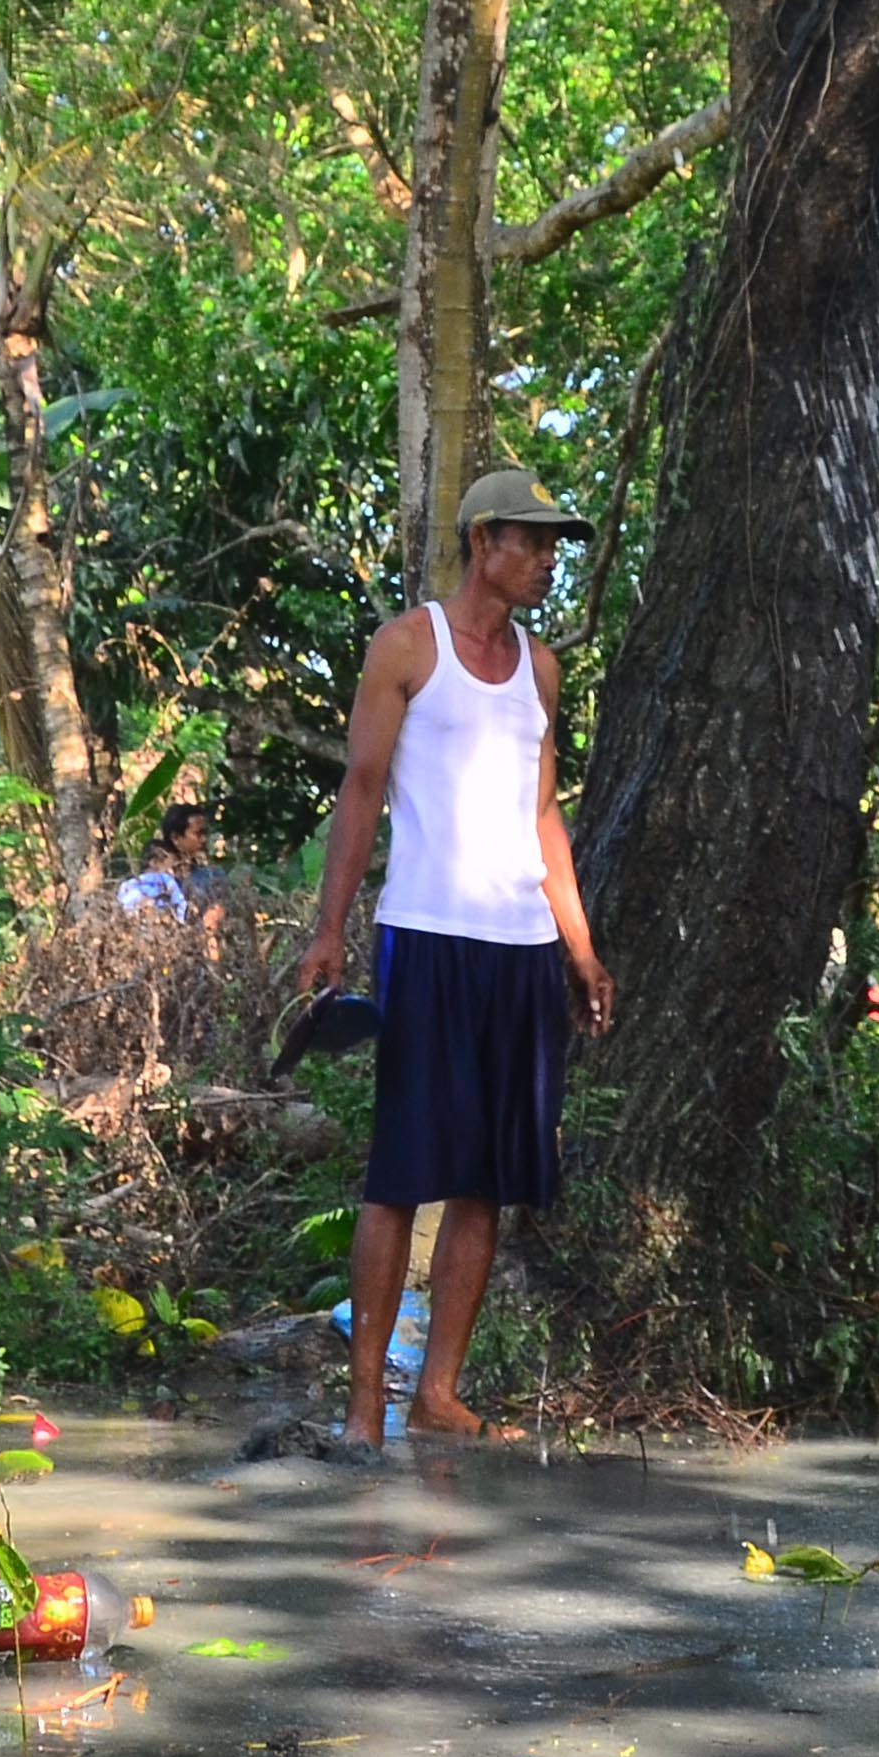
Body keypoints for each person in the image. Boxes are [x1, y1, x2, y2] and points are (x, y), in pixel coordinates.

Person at [290, 466, 615, 1446]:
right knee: (400, 1176)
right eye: (535, 541)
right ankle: (363, 1406)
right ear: (484, 543)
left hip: (519, 953)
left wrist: (581, 949)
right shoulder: (407, 647)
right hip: (426, 938)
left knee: (485, 1182)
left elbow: (543, 813)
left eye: (555, 544)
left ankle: (436, 1394)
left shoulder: (540, 670)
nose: (548, 559)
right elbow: (359, 787)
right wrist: (326, 930)